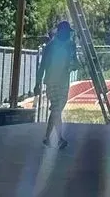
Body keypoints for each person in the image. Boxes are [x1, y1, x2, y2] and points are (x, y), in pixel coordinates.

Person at [37, 19, 76, 149]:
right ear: (60, 32)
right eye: (66, 32)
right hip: (51, 81)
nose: (68, 34)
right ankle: (59, 139)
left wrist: (74, 65)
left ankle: (46, 138)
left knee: (56, 110)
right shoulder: (50, 46)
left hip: (64, 82)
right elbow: (42, 66)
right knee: (56, 109)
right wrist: (37, 83)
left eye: (69, 32)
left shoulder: (71, 45)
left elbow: (75, 62)